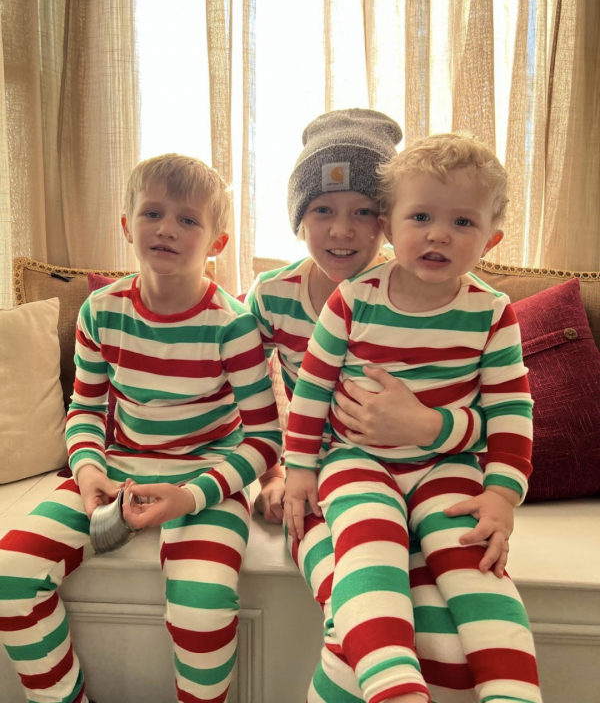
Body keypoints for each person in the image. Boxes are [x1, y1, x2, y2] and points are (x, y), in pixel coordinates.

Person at [0, 154, 281, 703]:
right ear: (128, 226)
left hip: (206, 476)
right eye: (153, 212)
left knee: (203, 605)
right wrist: (87, 472)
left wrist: (191, 495)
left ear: (216, 243)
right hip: (116, 465)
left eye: (188, 219)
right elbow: (84, 409)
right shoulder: (100, 311)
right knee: (10, 576)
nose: (167, 228)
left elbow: (264, 439)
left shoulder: (233, 325)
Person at [284, 132, 541, 703]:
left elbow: (510, 409)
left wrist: (502, 495)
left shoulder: (492, 313)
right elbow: (311, 390)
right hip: (358, 463)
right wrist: (300, 468)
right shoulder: (353, 299)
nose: (438, 234)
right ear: (391, 226)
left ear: (490, 239)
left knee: (476, 567)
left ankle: (515, 693)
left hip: (447, 466)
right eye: (420, 216)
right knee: (370, 556)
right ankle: (393, 688)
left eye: (463, 223)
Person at [249, 112, 491, 702]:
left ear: (386, 222)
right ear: (299, 218)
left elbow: (497, 417)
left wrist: (429, 425)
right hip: (321, 480)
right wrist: (281, 469)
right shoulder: (271, 297)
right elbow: (254, 404)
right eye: (322, 210)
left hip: (416, 473)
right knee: (355, 604)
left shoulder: (428, 295)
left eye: (362, 211)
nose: (343, 229)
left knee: (417, 603)